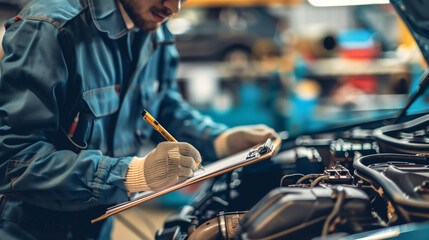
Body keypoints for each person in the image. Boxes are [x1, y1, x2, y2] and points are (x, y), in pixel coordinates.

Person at [0, 0, 278, 239]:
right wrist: (133, 174)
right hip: (31, 228)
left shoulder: (153, 26)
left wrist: (218, 139)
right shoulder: (49, 28)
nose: (174, 7)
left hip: (100, 224)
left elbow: (165, 107)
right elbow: (15, 160)